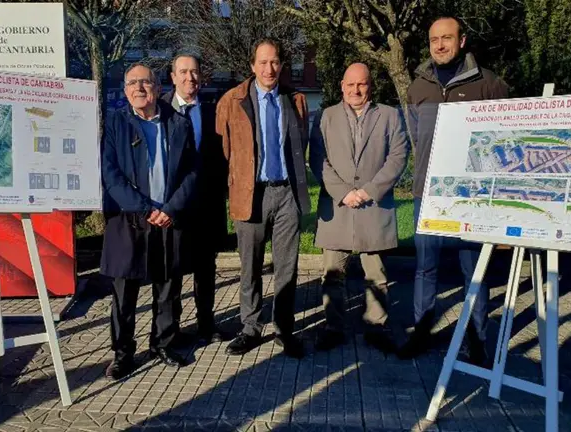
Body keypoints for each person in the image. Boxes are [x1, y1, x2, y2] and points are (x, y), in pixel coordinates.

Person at [400, 16, 509, 365]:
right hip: (427, 194)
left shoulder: (489, 85)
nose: (440, 45)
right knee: (425, 267)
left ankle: (477, 339)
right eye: (434, 40)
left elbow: (504, 144)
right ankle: (421, 332)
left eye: (447, 38)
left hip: (472, 198)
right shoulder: (418, 87)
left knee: (473, 269)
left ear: (462, 41)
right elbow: (415, 137)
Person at [100, 63, 198, 379]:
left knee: (168, 286)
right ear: (125, 89)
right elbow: (110, 174)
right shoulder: (115, 123)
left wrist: (171, 207)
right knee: (124, 292)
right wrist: (142, 208)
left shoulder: (179, 124)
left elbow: (192, 172)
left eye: (145, 82)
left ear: (157, 87)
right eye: (132, 83)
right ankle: (122, 353)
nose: (139, 88)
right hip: (129, 220)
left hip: (168, 218)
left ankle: (164, 343)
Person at [215, 38, 310, 358]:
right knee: (250, 266)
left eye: (275, 63)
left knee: (287, 266)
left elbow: (301, 143)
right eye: (263, 62)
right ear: (252, 66)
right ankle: (250, 328)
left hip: (286, 194)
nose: (269, 68)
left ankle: (284, 329)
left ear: (281, 65)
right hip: (250, 193)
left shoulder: (294, 99)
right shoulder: (232, 100)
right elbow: (224, 149)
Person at [309, 63, 408, 352]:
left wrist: (369, 191)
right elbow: (318, 159)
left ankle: (376, 325)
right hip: (337, 206)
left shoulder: (389, 116)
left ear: (370, 86)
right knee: (332, 273)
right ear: (342, 85)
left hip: (372, 205)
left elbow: (398, 157)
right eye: (350, 84)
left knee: (375, 273)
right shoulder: (325, 117)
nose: (356, 90)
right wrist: (343, 192)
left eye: (362, 84)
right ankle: (334, 327)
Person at [161, 53, 227, 344]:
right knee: (171, 271)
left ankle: (206, 324)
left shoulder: (213, 112)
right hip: (172, 206)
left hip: (205, 205)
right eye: (183, 72)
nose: (190, 78)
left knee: (205, 268)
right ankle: (170, 329)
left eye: (195, 72)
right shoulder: (159, 109)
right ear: (173, 76)